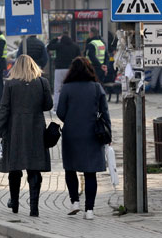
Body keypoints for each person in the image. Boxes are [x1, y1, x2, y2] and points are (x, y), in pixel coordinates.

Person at [0, 55, 53, 217]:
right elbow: (48, 105)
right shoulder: (42, 82)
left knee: (15, 168)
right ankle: (34, 208)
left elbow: (4, 109)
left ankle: (15, 203)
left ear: (16, 67)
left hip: (15, 130)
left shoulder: (10, 84)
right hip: (36, 130)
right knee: (34, 169)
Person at [57, 56, 111, 220]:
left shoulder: (67, 88)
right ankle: (89, 210)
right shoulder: (96, 87)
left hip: (71, 133)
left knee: (70, 168)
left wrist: (70, 119)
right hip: (92, 133)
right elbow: (105, 111)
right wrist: (108, 133)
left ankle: (74, 202)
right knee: (90, 172)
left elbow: (60, 112)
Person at [47, 31, 81, 109]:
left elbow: (49, 46)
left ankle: (56, 106)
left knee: (57, 89)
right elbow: (79, 58)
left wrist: (56, 39)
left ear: (62, 37)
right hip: (71, 69)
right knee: (71, 88)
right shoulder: (75, 46)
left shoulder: (59, 45)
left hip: (59, 69)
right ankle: (72, 105)